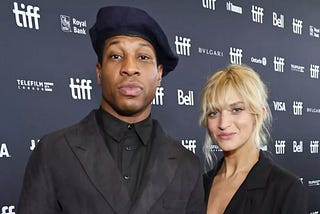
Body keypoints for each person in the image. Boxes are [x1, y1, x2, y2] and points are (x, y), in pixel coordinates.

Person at [17, 6, 204, 214]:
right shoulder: (53, 152)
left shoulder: (188, 166)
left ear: (158, 74)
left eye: (143, 57)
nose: (130, 68)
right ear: (99, 72)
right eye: (116, 56)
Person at [199, 64, 308, 214]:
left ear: (258, 115)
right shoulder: (200, 185)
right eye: (213, 113)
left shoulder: (286, 189)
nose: (223, 123)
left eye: (236, 110)